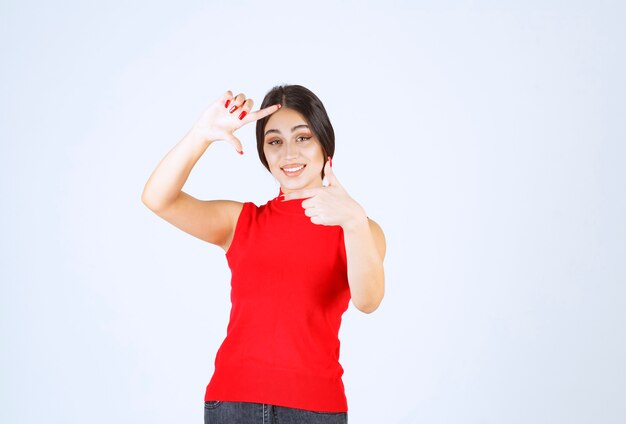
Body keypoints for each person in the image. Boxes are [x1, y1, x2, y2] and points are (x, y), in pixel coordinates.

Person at [141, 84, 386, 424]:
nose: (289, 154)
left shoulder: (360, 228)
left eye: (303, 137)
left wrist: (354, 221)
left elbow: (369, 301)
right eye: (275, 141)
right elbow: (158, 199)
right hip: (232, 403)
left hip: (314, 408)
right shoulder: (241, 222)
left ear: (324, 144)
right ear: (263, 153)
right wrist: (201, 135)